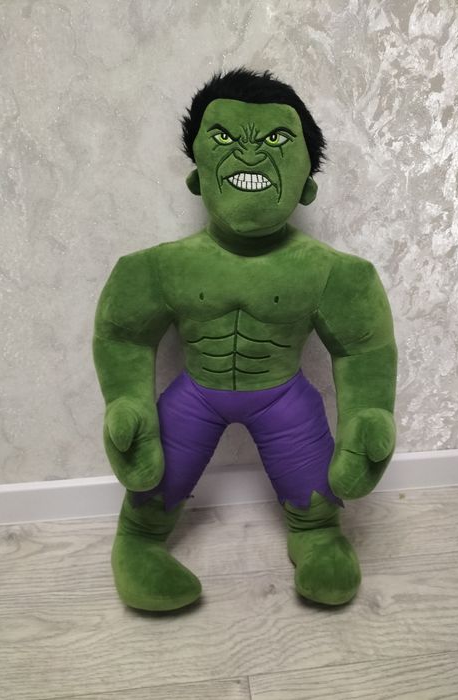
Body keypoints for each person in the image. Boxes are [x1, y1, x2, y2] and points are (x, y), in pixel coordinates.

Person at [93, 67, 398, 611]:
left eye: (277, 140)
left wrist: (368, 418)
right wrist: (128, 402)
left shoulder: (336, 275)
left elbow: (363, 349)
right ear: (197, 176)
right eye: (225, 137)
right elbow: (123, 336)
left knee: (317, 512)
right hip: (195, 395)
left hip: (283, 397)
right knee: (151, 480)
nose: (250, 153)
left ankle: (318, 537)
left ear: (306, 185)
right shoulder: (155, 268)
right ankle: (138, 543)